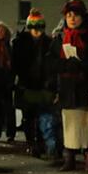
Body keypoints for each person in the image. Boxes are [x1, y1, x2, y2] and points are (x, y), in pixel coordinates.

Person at [46, 0, 88, 172]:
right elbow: (51, 60)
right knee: (69, 122)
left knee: (86, 122)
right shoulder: (61, 36)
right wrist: (65, 64)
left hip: (85, 85)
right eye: (69, 15)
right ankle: (69, 157)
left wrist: (83, 64)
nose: (72, 19)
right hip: (66, 86)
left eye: (75, 15)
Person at [13, 10, 60, 160]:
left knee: (42, 114)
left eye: (39, 27)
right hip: (27, 84)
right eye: (33, 27)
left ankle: (40, 143)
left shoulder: (49, 42)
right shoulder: (20, 42)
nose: (36, 31)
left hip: (43, 84)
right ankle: (31, 143)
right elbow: (16, 64)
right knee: (28, 116)